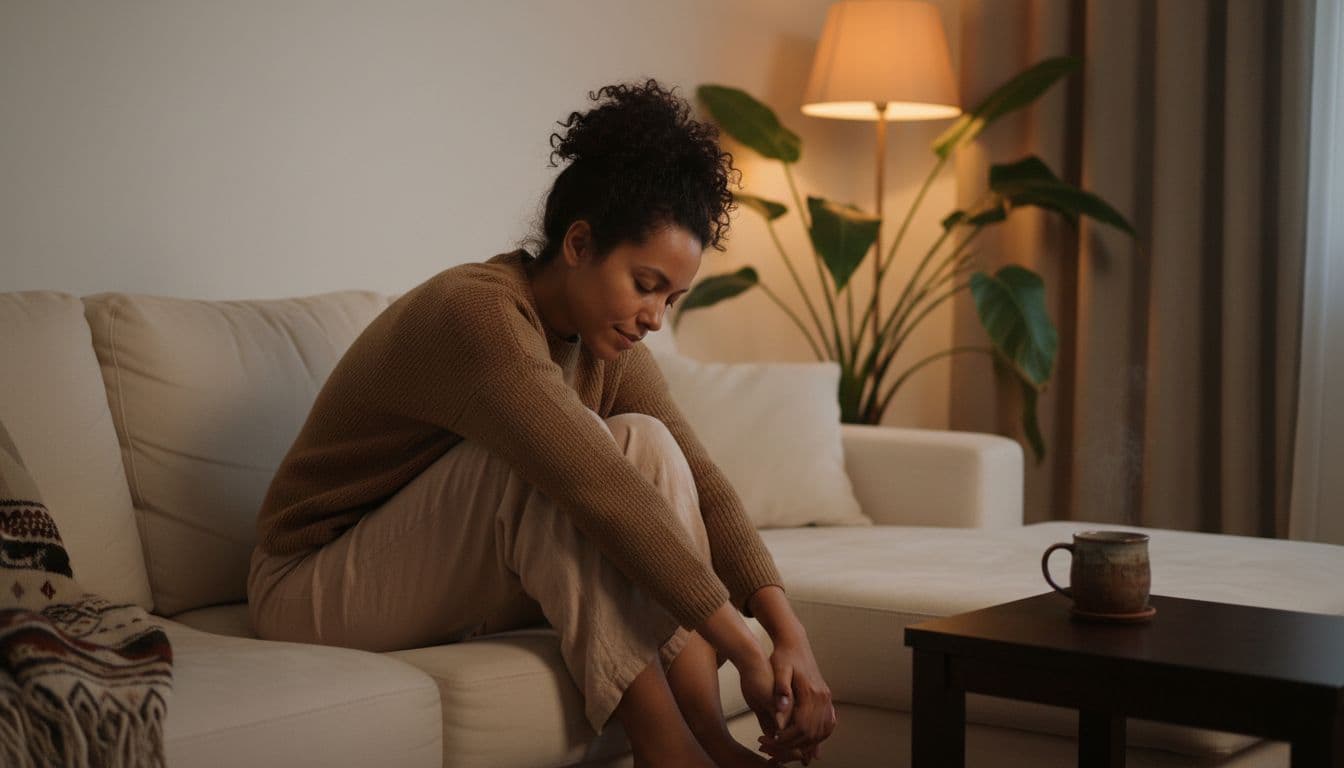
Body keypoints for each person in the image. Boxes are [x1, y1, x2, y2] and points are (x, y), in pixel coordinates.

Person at [246, 79, 836, 767]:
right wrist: (745, 648)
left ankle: (707, 738)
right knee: (551, 466)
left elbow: (701, 480)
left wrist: (787, 633)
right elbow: (593, 485)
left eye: (671, 299)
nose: (654, 317)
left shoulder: (609, 342)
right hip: (308, 587)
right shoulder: (479, 314)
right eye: (645, 285)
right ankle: (667, 751)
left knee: (649, 441)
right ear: (579, 243)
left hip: (436, 574)